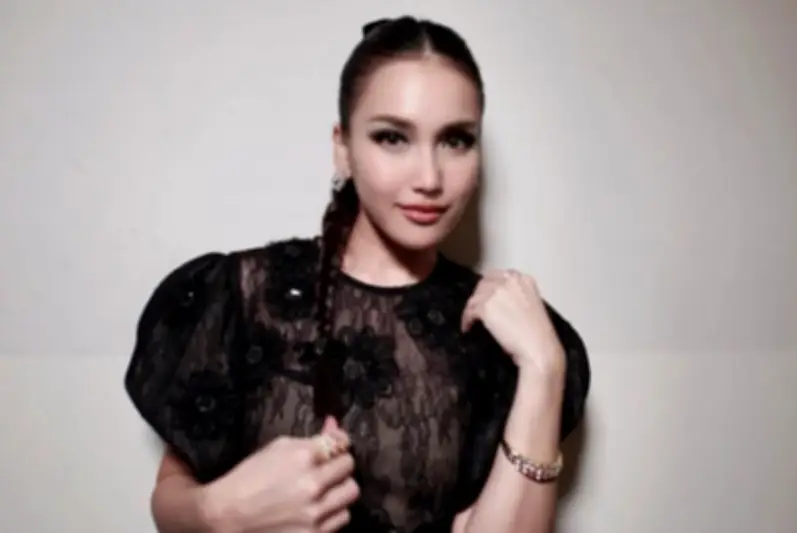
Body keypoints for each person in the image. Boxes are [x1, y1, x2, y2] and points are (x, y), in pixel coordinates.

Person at [124, 15, 591, 533]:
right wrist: (222, 511)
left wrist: (544, 368)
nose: (429, 177)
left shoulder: (502, 334)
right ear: (342, 148)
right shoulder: (239, 294)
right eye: (393, 138)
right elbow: (171, 500)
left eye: (456, 140)